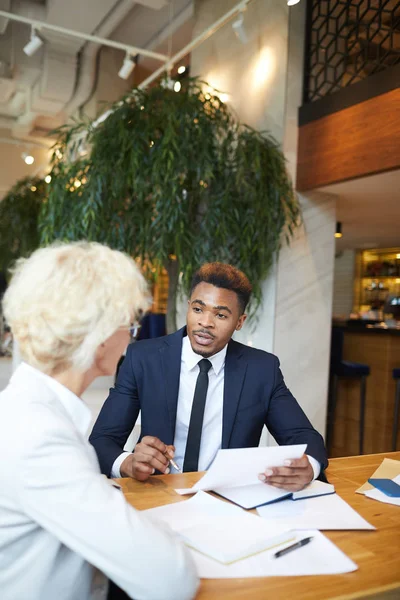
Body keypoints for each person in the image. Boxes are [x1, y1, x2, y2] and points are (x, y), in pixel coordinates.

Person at [0, 242, 199, 600]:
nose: (131, 337)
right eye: (130, 324)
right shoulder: (40, 438)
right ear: (101, 338)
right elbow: (173, 579)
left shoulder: (27, 411)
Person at [90, 262, 328, 491]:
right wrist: (127, 463)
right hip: (157, 491)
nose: (205, 323)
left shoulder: (261, 369)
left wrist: (309, 466)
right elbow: (102, 440)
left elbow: (303, 436)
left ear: (239, 322)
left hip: (227, 498)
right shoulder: (143, 358)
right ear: (188, 307)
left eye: (221, 315)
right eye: (198, 309)